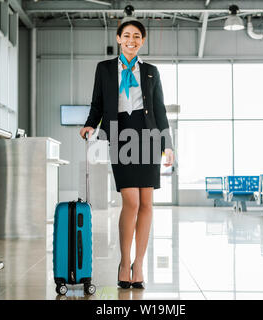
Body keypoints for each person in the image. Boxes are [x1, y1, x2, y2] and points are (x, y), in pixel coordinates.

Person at [79, 18, 174, 289]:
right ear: (119, 39)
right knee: (130, 201)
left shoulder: (151, 71)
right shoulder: (105, 69)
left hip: (149, 134)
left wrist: (167, 144)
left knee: (146, 202)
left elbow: (160, 110)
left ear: (142, 41)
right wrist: (90, 123)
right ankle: (124, 261)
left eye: (137, 37)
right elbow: (97, 102)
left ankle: (139, 264)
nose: (132, 40)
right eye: (127, 36)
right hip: (120, 134)